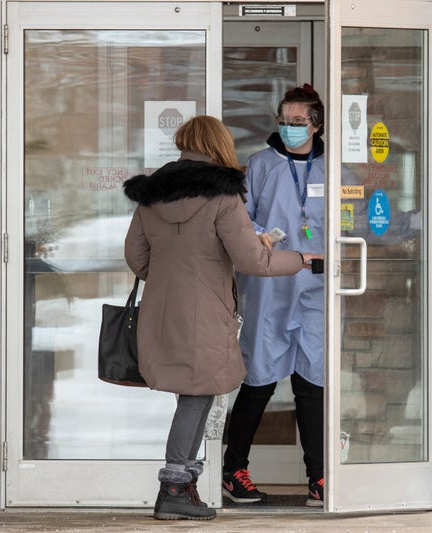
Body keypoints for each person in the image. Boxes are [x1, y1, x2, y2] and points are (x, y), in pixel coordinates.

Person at [123, 115, 320, 521]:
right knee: (197, 396)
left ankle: (184, 487)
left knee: (194, 394)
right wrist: (300, 259)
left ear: (183, 143)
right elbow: (252, 260)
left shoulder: (150, 195)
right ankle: (174, 487)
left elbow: (137, 257)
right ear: (218, 146)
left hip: (161, 311)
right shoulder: (224, 195)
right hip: (207, 309)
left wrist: (169, 280)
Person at [222, 84, 327, 507]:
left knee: (312, 381)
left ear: (316, 124)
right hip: (269, 285)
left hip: (317, 287)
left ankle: (319, 477)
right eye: (283, 121)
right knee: (259, 377)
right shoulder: (261, 165)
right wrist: (256, 237)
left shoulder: (334, 168)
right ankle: (234, 471)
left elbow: (351, 219)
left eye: (298, 123)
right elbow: (239, 220)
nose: (289, 128)